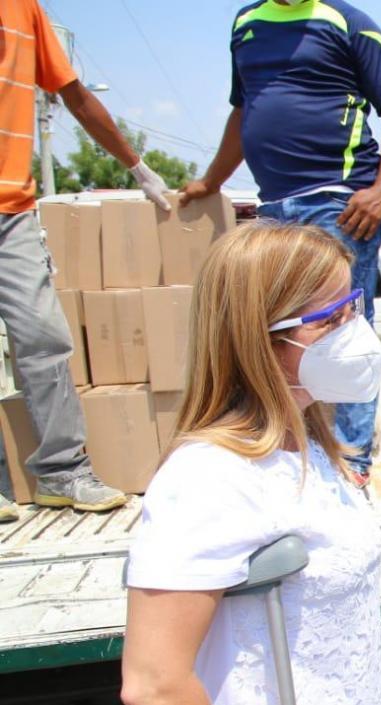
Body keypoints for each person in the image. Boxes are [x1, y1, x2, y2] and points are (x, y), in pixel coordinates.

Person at [121, 222, 381, 705]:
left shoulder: (305, 442)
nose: (354, 330)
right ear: (258, 337)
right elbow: (155, 686)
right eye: (330, 318)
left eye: (354, 307)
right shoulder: (210, 475)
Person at [182, 0, 381, 478]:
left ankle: (351, 463)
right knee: (275, 338)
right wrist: (210, 183)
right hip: (273, 207)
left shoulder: (347, 22)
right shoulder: (246, 23)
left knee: (343, 334)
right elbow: (243, 113)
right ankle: (290, 450)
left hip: (339, 201)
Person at [0, 0, 171, 522]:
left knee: (43, 337)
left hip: (11, 209)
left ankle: (61, 471)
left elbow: (72, 94)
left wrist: (136, 165)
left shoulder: (22, 8)